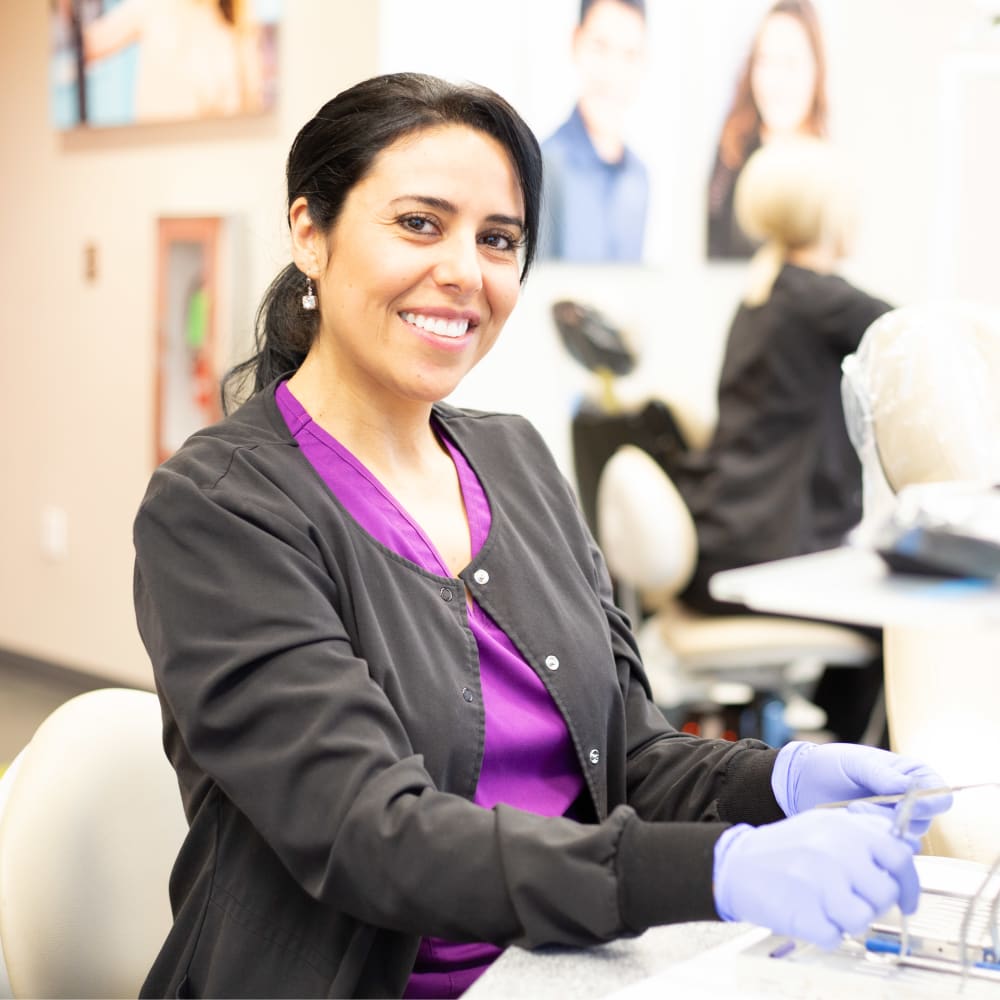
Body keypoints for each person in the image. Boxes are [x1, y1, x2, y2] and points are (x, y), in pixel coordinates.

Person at [132, 73, 949, 999]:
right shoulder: (219, 508)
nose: (464, 272)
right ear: (310, 234)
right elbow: (373, 833)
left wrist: (783, 783)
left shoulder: (513, 459)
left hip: (568, 968)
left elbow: (627, 758)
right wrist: (716, 868)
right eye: (419, 224)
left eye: (499, 240)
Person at [682, 136, 894, 742]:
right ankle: (869, 767)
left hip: (727, 545)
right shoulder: (822, 300)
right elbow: (930, 343)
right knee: (913, 618)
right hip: (766, 557)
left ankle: (838, 740)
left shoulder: (766, 294)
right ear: (829, 212)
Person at [707, 0, 828, 260]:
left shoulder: (828, 170)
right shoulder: (731, 152)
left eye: (790, 62)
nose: (776, 80)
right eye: (765, 61)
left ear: (816, 69)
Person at [538, 0, 650, 262]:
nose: (613, 73)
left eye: (629, 54)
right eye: (600, 48)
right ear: (576, 42)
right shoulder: (545, 165)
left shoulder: (639, 177)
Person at [66, 0, 268, 124]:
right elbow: (86, 46)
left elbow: (250, 104)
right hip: (160, 159)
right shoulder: (152, 6)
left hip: (220, 158)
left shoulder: (236, 21)